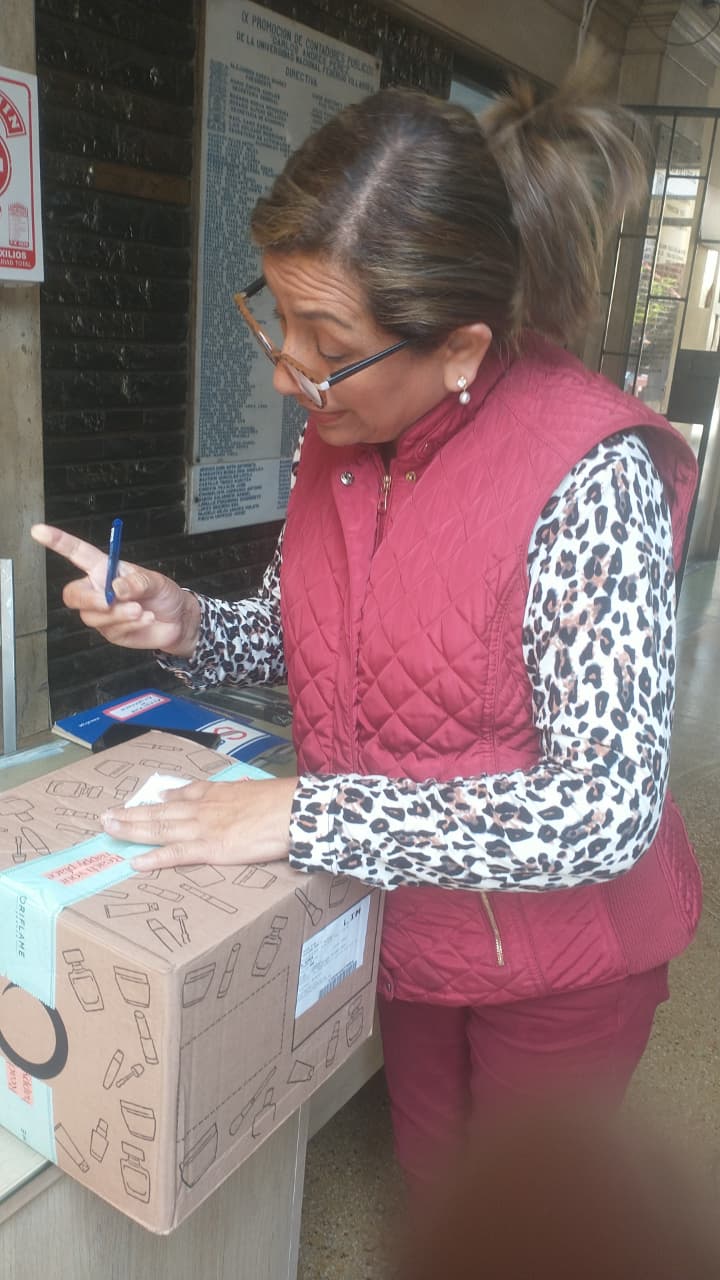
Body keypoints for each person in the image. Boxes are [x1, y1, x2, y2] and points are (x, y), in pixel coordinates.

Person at [32, 60, 702, 1188]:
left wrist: (305, 812)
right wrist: (187, 622)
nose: (290, 372)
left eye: (331, 345)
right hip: (410, 922)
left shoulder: (591, 475)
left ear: (461, 350)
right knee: (438, 1188)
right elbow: (305, 636)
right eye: (279, 319)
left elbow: (603, 808)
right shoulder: (337, 437)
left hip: (564, 964)